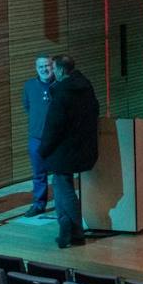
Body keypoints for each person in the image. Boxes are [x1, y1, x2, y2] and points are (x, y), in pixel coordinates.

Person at [36, 54, 99, 250]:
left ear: (61, 70)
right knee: (60, 183)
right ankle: (65, 226)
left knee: (65, 186)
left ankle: (76, 231)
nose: (52, 72)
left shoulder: (62, 92)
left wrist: (43, 149)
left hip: (64, 149)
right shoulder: (86, 87)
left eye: (53, 68)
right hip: (83, 146)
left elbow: (54, 126)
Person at [20, 55, 55, 216]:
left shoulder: (59, 85)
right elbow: (28, 106)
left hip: (57, 138)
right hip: (36, 138)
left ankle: (62, 204)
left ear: (52, 66)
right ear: (36, 68)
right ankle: (39, 204)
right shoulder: (29, 86)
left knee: (60, 173)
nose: (44, 69)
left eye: (47, 65)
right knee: (38, 173)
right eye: (40, 66)